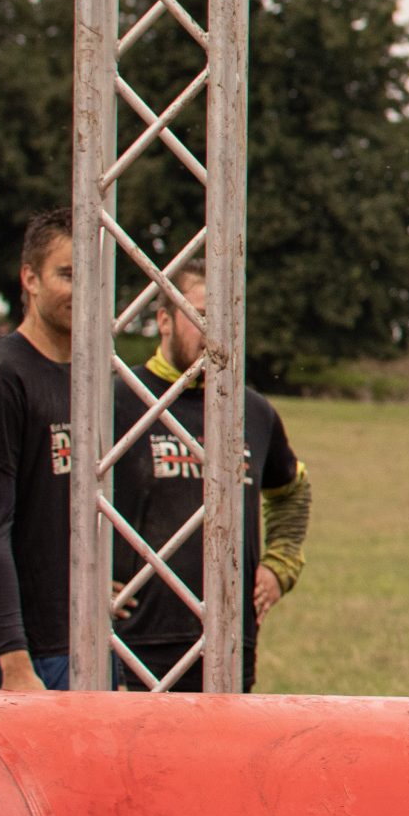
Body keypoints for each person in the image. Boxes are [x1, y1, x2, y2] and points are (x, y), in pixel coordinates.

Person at [110, 262, 314, 692]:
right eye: (200, 315)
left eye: (224, 317)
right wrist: (85, 573)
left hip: (229, 644)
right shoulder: (118, 399)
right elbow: (57, 496)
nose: (214, 330)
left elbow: (293, 491)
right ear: (163, 320)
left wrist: (280, 567)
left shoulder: (252, 411)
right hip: (135, 646)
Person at [0, 210, 79, 693]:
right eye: (67, 274)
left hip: (90, 636)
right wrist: (14, 661)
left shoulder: (95, 375)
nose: (83, 289)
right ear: (29, 278)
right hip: (33, 652)